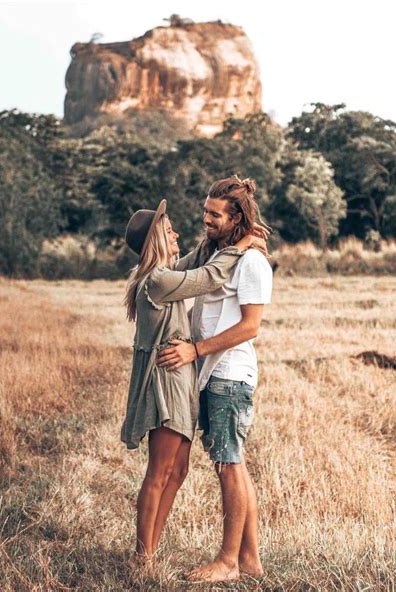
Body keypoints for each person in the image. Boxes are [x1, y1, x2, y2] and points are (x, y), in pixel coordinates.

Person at [120, 198, 266, 560]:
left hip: (180, 377)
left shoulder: (164, 274)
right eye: (169, 231)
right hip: (168, 380)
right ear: (156, 239)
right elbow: (207, 276)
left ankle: (150, 550)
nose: (178, 232)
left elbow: (196, 263)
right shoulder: (157, 280)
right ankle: (144, 555)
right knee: (160, 470)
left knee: (178, 469)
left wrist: (219, 241)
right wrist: (240, 245)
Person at [157, 177, 273, 582]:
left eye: (214, 215)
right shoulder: (215, 252)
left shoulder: (252, 262)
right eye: (205, 211)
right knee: (233, 465)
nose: (205, 219)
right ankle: (251, 561)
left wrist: (195, 350)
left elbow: (250, 327)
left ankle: (227, 562)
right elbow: (178, 274)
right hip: (211, 375)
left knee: (229, 465)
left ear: (236, 217)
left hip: (228, 375)